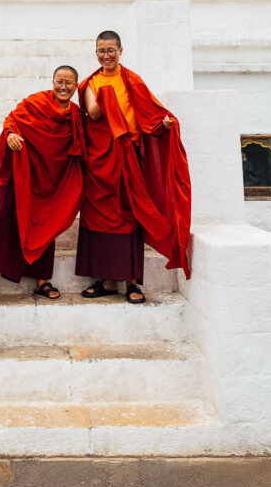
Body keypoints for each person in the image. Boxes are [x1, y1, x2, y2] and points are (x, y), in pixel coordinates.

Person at [77, 30, 191, 303]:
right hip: (100, 159)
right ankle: (103, 280)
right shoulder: (91, 83)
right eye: (101, 51)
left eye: (110, 50)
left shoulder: (132, 80)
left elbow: (147, 112)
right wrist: (107, 94)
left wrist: (161, 125)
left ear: (120, 50)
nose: (106, 55)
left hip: (128, 156)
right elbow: (92, 113)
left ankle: (132, 282)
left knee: (130, 217)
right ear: (96, 53)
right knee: (97, 217)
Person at [0, 66, 86, 299]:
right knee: (3, 207)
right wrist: (11, 135)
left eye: (69, 83)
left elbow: (81, 147)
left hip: (53, 180)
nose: (63, 87)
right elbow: (11, 121)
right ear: (52, 81)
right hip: (26, 170)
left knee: (47, 225)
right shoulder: (37, 102)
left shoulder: (76, 115)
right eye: (59, 81)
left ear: (76, 86)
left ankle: (42, 282)